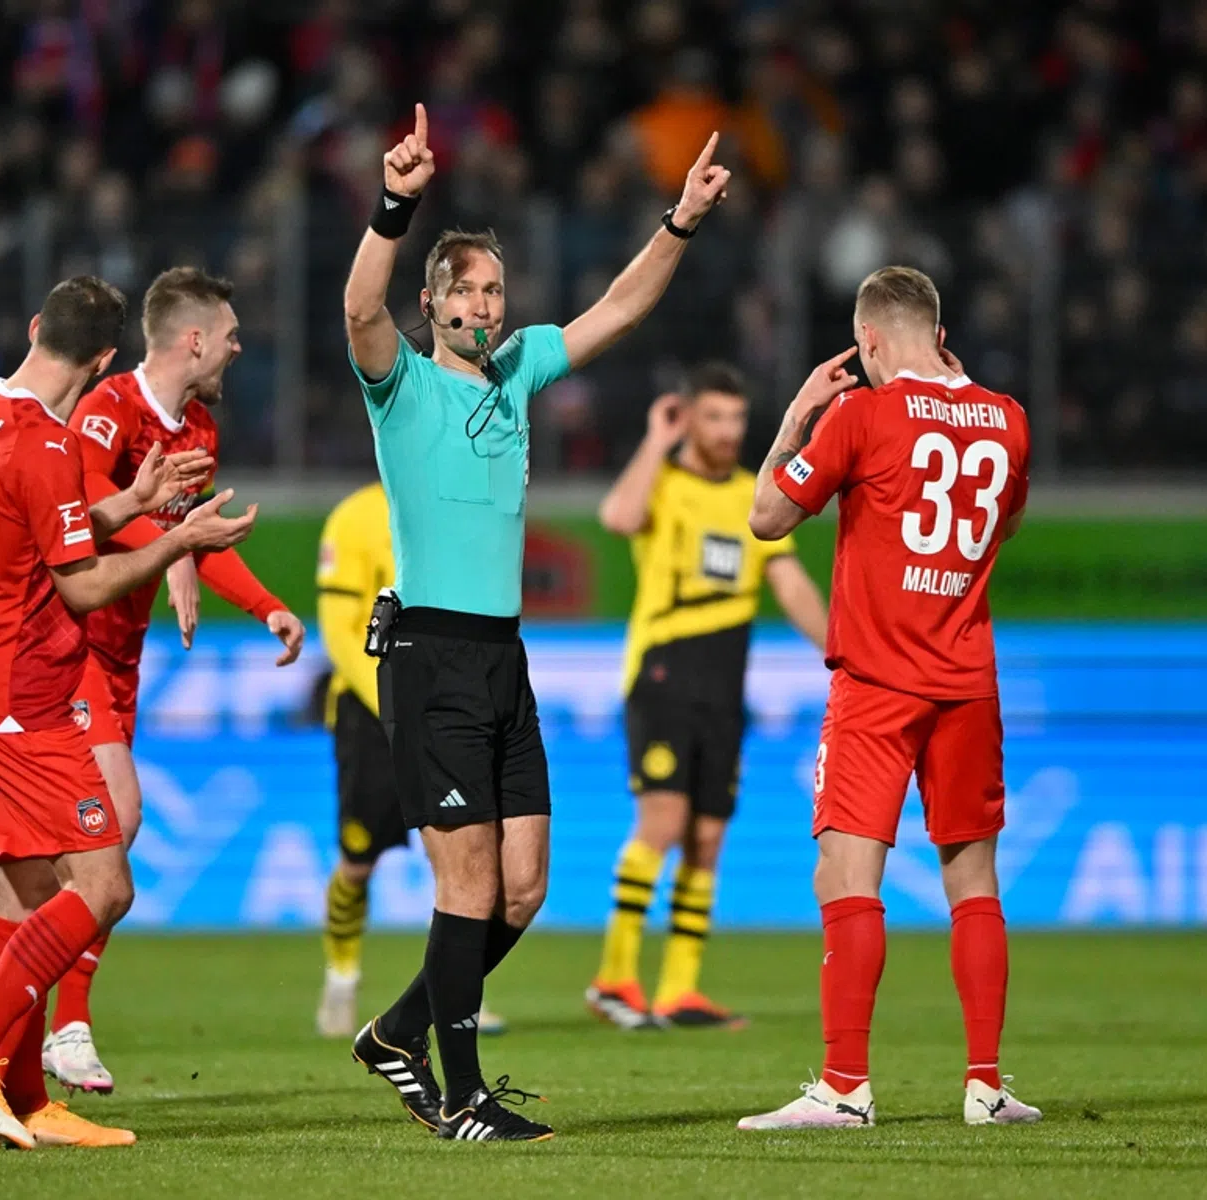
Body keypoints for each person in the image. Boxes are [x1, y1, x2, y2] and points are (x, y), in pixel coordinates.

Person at [342, 103, 730, 1143]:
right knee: (466, 884)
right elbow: (356, 311)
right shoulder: (402, 386)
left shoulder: (518, 373)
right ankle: (462, 1097)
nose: (484, 302)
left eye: (495, 289)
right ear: (432, 304)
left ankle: (395, 1033)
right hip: (430, 655)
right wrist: (394, 207)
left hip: (502, 661)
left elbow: (618, 309)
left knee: (522, 889)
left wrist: (680, 223)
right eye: (465, 289)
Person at [0, 267, 305, 1099]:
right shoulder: (89, 417)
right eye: (229, 333)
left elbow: (110, 519)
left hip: (83, 659)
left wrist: (258, 602)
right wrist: (167, 540)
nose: (239, 346)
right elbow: (75, 540)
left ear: (38, 325)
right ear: (115, 356)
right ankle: (44, 1032)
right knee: (102, 858)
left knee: (34, 883)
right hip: (44, 663)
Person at [740, 265, 1040, 1130]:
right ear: (940, 334)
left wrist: (798, 415)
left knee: (843, 871)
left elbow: (766, 516)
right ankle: (986, 1086)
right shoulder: (1008, 419)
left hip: (877, 682)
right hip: (968, 681)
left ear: (869, 340)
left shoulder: (860, 413)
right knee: (974, 879)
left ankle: (843, 1086)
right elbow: (1006, 523)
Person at [587, 365, 828, 1031]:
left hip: (725, 681)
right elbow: (617, 516)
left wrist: (839, 648)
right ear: (689, 417)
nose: (727, 432)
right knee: (661, 823)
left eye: (736, 419)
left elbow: (790, 581)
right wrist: (654, 443)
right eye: (714, 417)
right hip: (664, 671)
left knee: (708, 836)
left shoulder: (752, 496)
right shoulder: (662, 481)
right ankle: (615, 977)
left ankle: (680, 990)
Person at [313, 480, 505, 1039]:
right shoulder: (353, 517)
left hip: (447, 709)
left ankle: (458, 992)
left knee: (463, 857)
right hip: (370, 714)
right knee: (357, 860)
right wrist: (392, 704)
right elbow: (340, 630)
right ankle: (342, 977)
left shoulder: (455, 504)